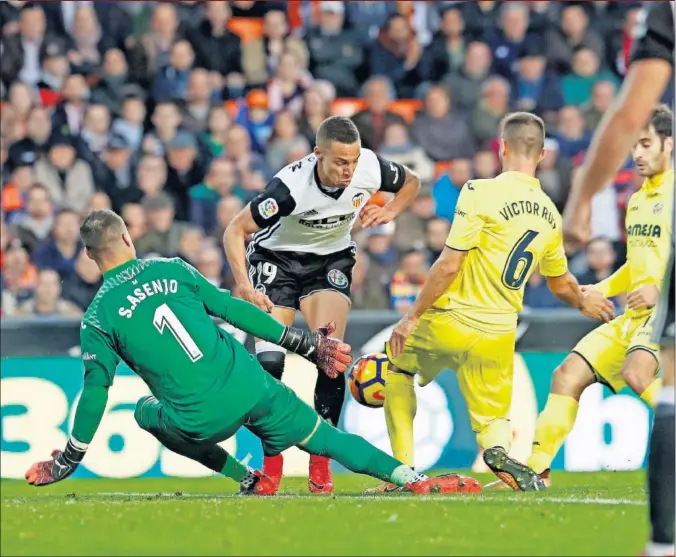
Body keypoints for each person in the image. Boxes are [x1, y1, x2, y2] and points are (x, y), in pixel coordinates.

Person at [25, 209, 480, 498]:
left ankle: (247, 478)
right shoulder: (170, 268)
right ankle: (414, 480)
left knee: (145, 410)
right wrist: (307, 345)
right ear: (127, 239)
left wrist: (70, 457)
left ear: (89, 256)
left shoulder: (98, 317)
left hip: (197, 421)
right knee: (327, 438)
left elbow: (95, 392)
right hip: (251, 387)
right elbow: (234, 310)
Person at [380, 112, 614, 493]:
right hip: (500, 331)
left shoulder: (479, 191)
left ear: (502, 147)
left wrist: (411, 316)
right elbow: (561, 283)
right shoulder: (551, 214)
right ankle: (501, 453)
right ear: (540, 155)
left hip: (451, 319)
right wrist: (583, 302)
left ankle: (404, 474)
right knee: (492, 417)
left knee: (397, 372)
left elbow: (449, 263)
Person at [224, 116, 421, 494]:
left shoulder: (370, 167)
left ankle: (320, 461)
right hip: (276, 261)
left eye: (353, 160)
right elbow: (235, 229)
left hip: (329, 261)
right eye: (339, 162)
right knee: (270, 367)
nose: (349, 170)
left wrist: (391, 211)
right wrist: (244, 285)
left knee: (331, 357)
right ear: (318, 155)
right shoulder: (288, 187)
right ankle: (271, 465)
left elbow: (412, 182)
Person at [561, 4, 674, 555]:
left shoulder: (662, 13)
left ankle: (662, 545)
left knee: (665, 386)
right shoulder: (642, 201)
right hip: (637, 304)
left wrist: (582, 197)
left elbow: (633, 112)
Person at [522, 105, 673, 485]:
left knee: (637, 374)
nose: (636, 154)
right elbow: (635, 263)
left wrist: (662, 291)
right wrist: (600, 289)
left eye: (645, 144)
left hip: (665, 316)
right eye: (633, 145)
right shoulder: (638, 200)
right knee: (566, 375)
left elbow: (657, 277)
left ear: (668, 144)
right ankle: (534, 470)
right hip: (634, 318)